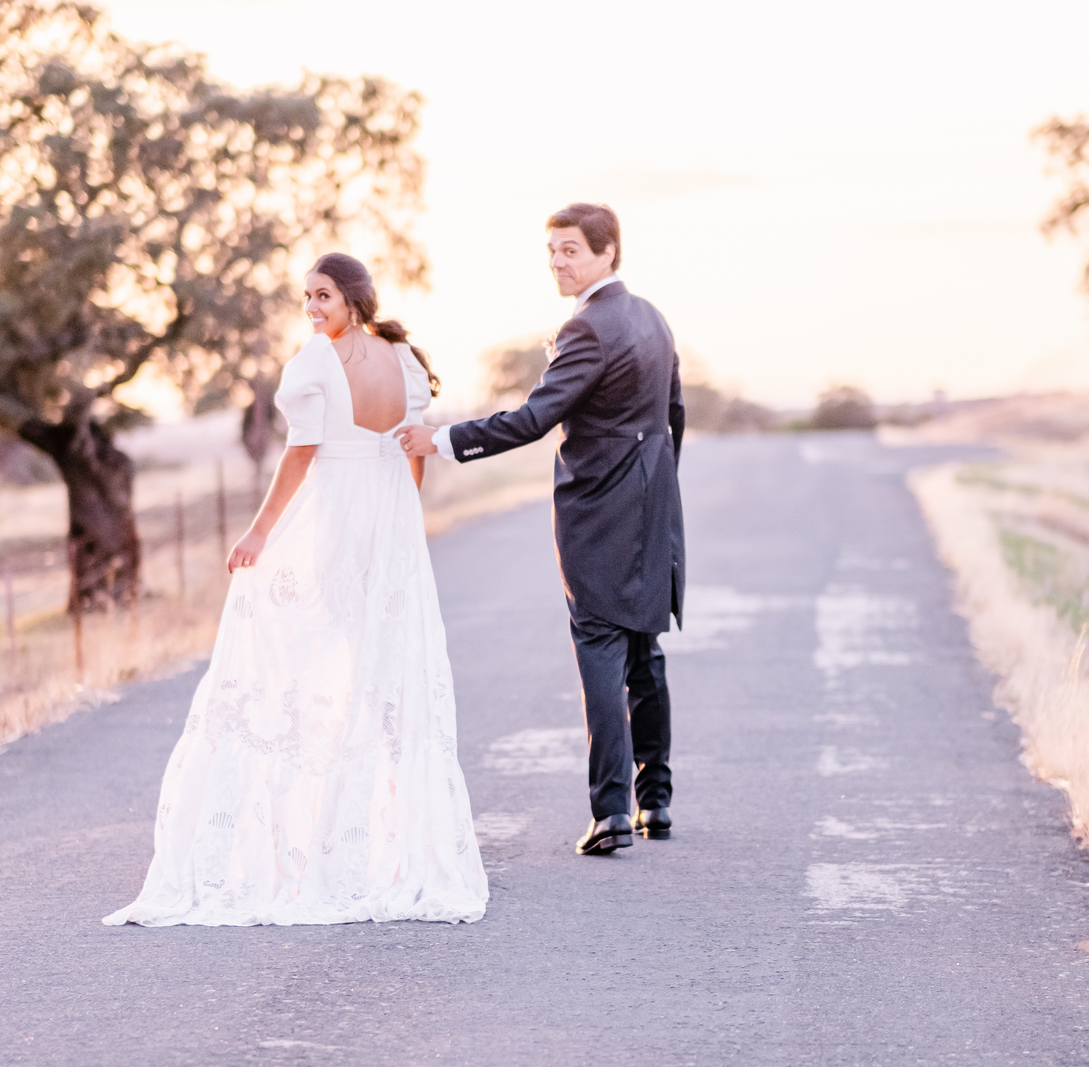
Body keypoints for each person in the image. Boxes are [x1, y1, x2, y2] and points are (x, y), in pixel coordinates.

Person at [104, 253, 488, 928]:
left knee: (326, 667)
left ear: (354, 299)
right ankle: (374, 838)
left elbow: (301, 455)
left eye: (324, 296)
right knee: (377, 672)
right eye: (306, 297)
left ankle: (339, 841)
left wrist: (257, 534)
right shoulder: (402, 361)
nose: (312, 308)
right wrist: (404, 528)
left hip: (342, 518)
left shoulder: (317, 363)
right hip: (389, 525)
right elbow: (409, 458)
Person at [399, 204, 684, 856]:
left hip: (599, 514)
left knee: (600, 651)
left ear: (609, 252)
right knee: (643, 651)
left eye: (571, 251)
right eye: (552, 252)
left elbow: (533, 419)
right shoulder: (653, 318)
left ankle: (611, 813)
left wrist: (441, 439)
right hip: (653, 505)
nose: (558, 263)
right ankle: (657, 802)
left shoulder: (586, 328)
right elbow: (673, 415)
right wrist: (658, 488)